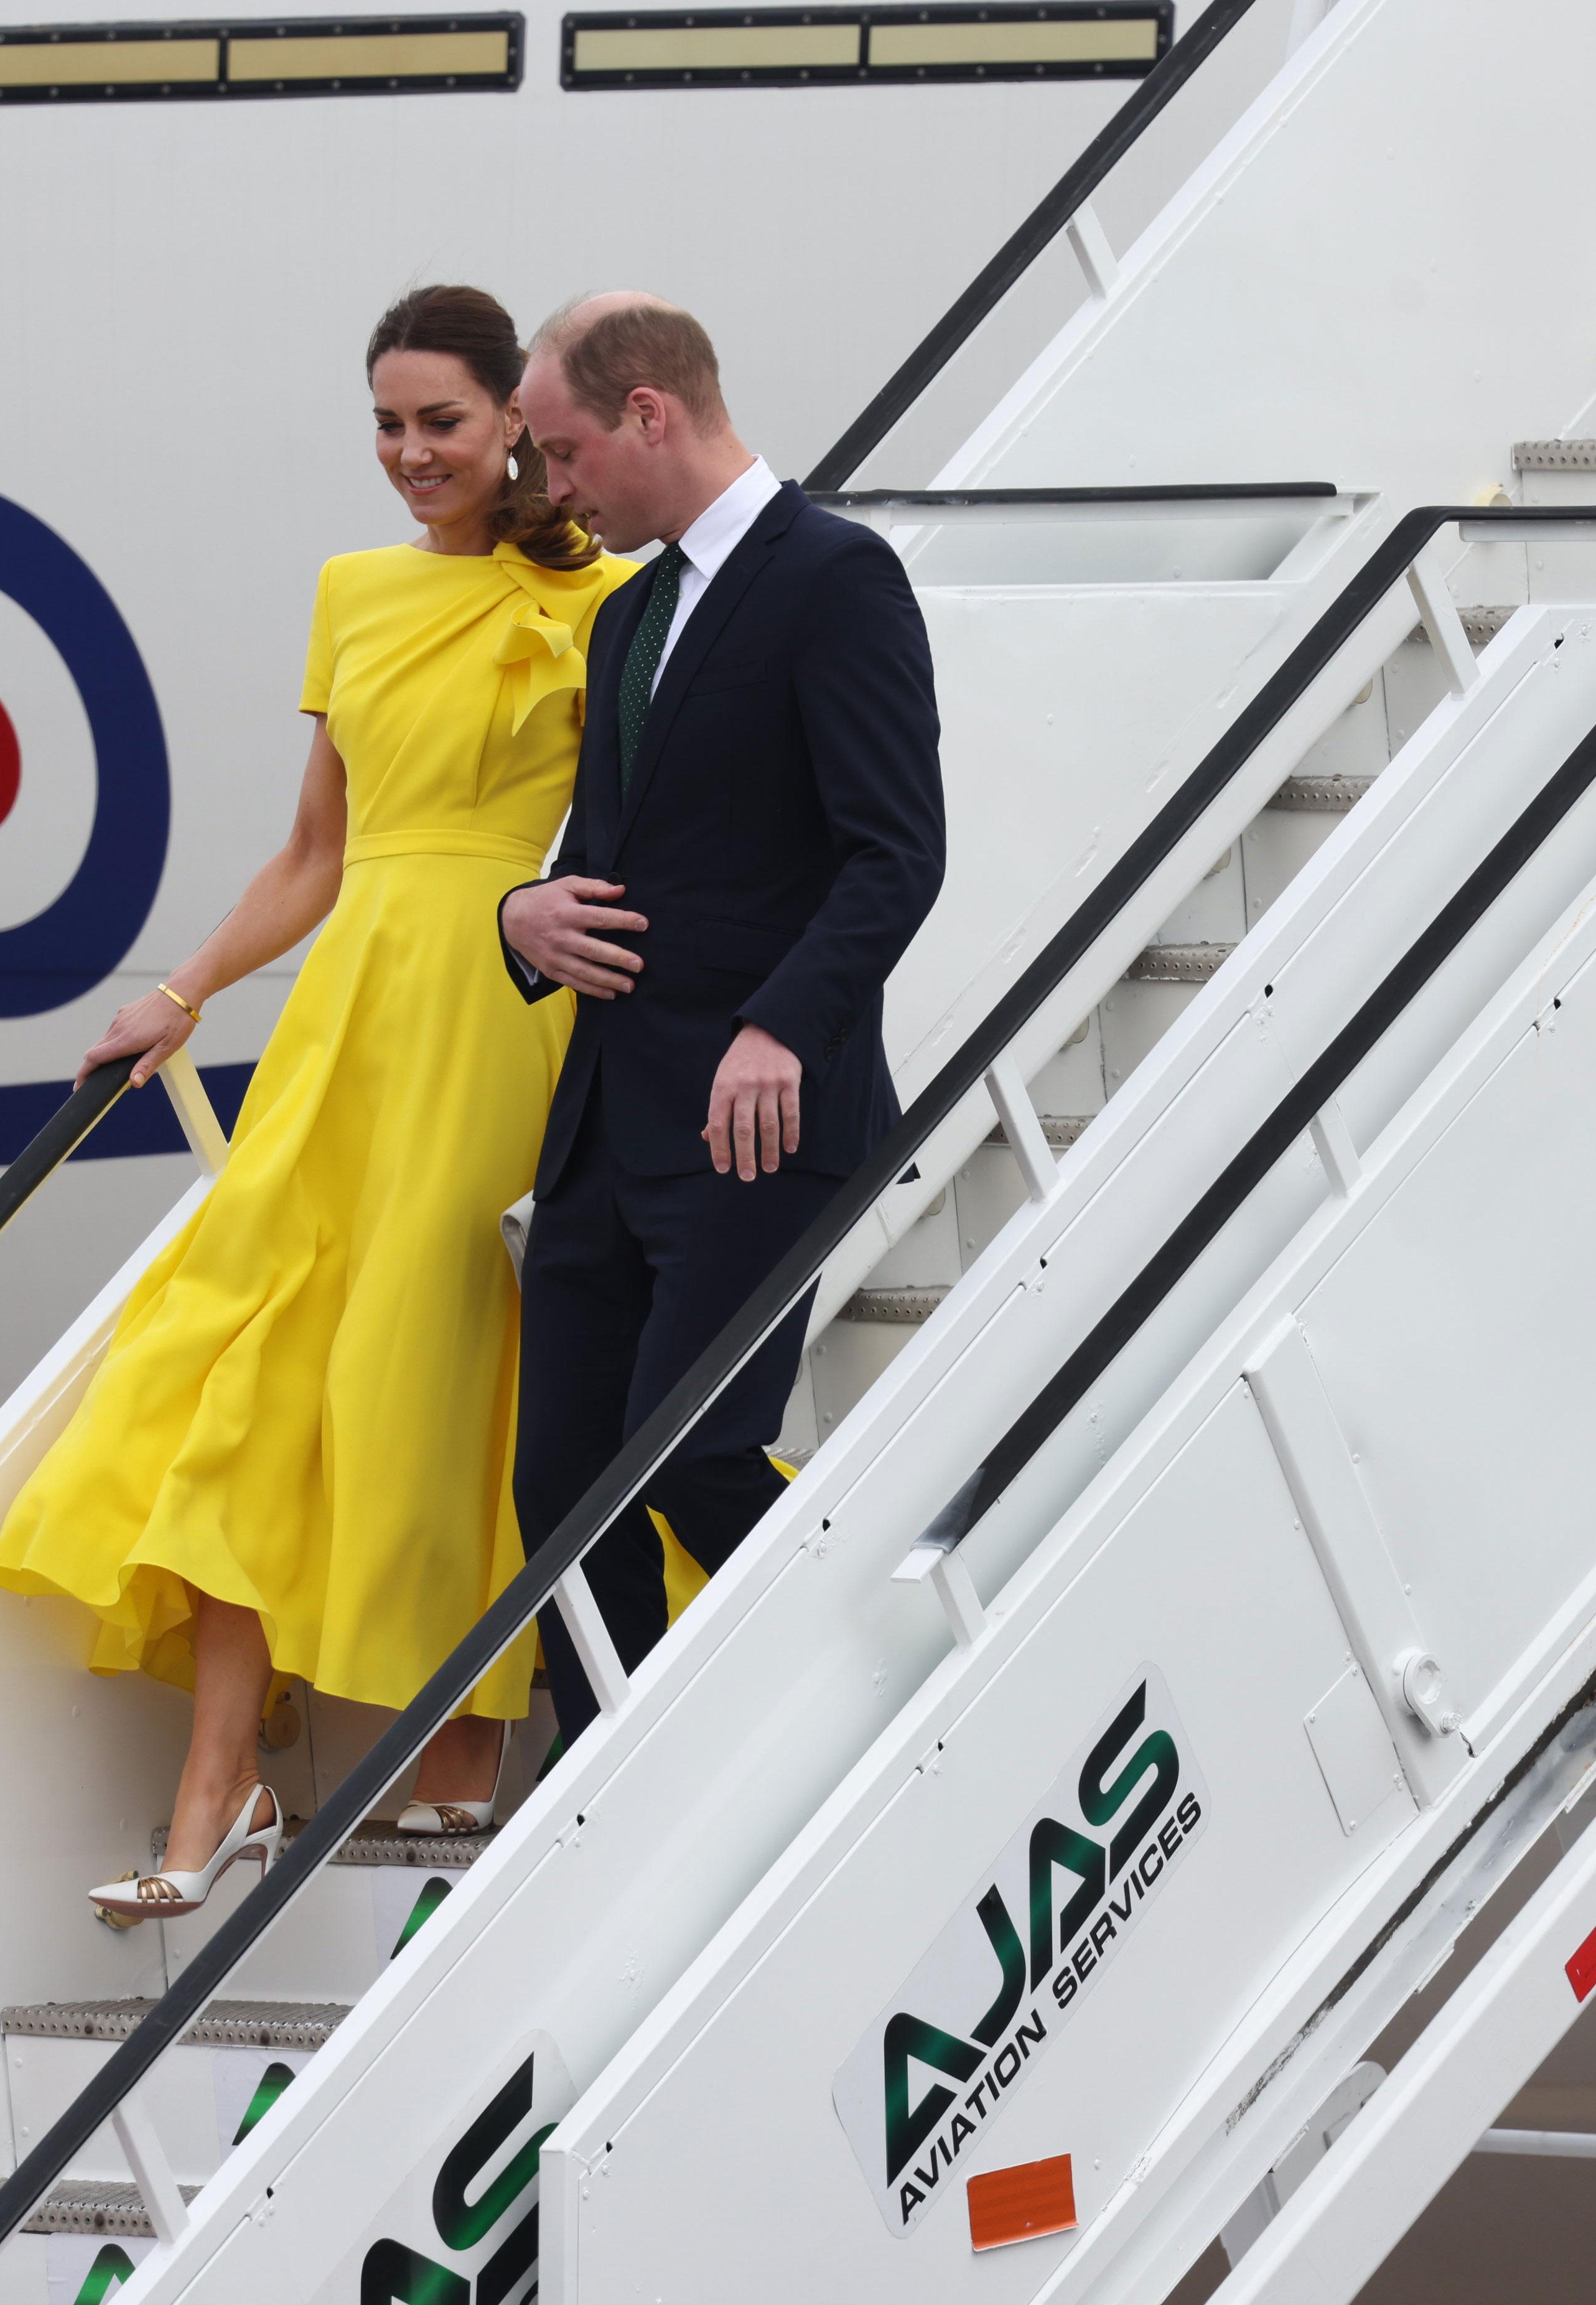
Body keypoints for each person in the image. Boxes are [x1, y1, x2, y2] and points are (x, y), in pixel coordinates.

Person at [0, 286, 630, 1919]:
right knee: (248, 1361)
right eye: (387, 424)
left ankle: (458, 1784)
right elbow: (317, 859)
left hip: (505, 1007)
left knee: (439, 1377)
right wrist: (182, 994)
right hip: (352, 1019)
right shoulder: (351, 592)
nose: (411, 454)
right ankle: (219, 1786)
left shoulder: (614, 598)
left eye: (443, 422)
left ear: (513, 426)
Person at [499, 292, 945, 1738]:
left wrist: (782, 1024)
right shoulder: (626, 614)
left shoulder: (836, 576)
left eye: (563, 456)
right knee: (561, 1490)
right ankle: (604, 1783)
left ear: (649, 414)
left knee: (685, 1454)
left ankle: (887, 1679)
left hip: (756, 1121)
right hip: (604, 1128)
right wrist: (524, 915)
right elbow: (618, 853)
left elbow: (897, 851)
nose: (553, 495)